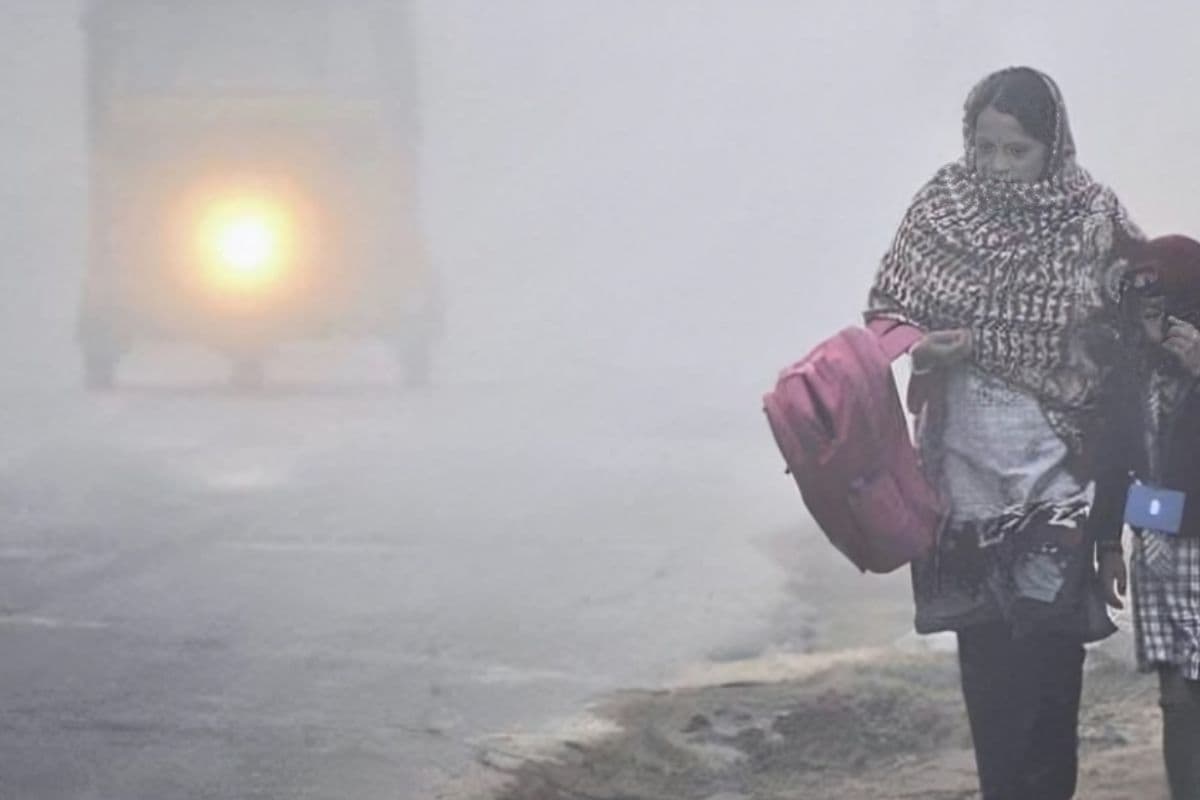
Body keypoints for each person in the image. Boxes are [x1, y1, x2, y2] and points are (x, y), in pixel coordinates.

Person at [864, 66, 1141, 799]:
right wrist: (924, 350)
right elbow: (887, 314)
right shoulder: (940, 208)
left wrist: (1116, 526)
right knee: (992, 695)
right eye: (984, 148)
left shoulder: (1094, 220)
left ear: (1053, 146)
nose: (997, 166)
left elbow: (1136, 347)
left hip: (1059, 494)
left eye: (1016, 150)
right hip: (962, 497)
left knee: (1050, 694)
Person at [1090, 235, 1200, 800]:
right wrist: (1108, 542)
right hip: (1158, 550)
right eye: (1143, 309)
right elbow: (1114, 461)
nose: (1152, 322)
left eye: (1162, 308)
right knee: (1176, 697)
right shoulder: (1130, 371)